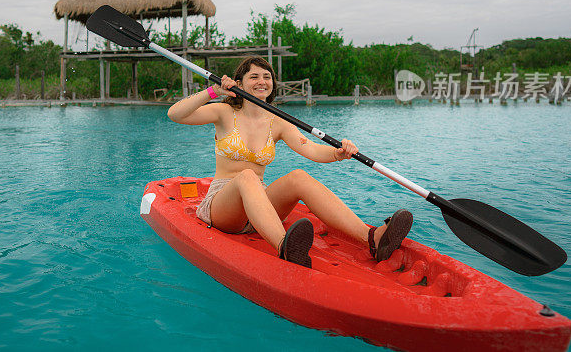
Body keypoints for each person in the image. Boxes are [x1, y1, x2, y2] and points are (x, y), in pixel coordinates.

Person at [167, 55, 413, 268]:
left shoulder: (279, 122)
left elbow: (312, 150)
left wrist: (338, 154)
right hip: (224, 207)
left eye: (266, 76)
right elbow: (175, 114)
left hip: (260, 205)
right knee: (247, 176)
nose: (262, 81)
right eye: (254, 77)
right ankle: (285, 246)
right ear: (239, 83)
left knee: (299, 177)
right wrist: (213, 92)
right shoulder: (223, 112)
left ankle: (372, 238)